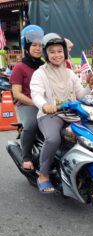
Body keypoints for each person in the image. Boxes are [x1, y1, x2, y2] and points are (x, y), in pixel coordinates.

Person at [30, 33, 93, 194]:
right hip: (51, 115)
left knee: (91, 135)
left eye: (59, 51)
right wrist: (45, 105)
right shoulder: (40, 73)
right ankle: (43, 175)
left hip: (73, 114)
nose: (56, 55)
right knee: (53, 139)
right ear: (46, 54)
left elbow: (81, 95)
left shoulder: (70, 73)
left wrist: (91, 86)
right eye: (52, 51)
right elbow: (36, 94)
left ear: (64, 52)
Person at [9, 25, 45, 172]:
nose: (37, 48)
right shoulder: (20, 67)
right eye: (34, 45)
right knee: (31, 125)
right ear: (27, 46)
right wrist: (36, 103)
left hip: (45, 103)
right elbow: (16, 93)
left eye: (40, 45)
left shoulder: (45, 65)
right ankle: (26, 157)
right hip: (27, 104)